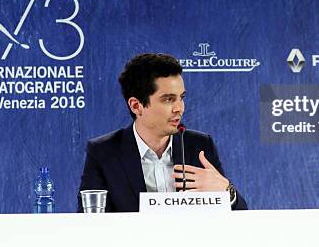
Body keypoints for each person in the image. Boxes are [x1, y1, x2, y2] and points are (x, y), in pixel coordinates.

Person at [78, 53, 247, 212]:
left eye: (181, 97)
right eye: (168, 99)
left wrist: (227, 191)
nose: (179, 108)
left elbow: (240, 217)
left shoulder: (199, 146)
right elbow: (89, 223)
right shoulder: (104, 152)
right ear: (136, 106)